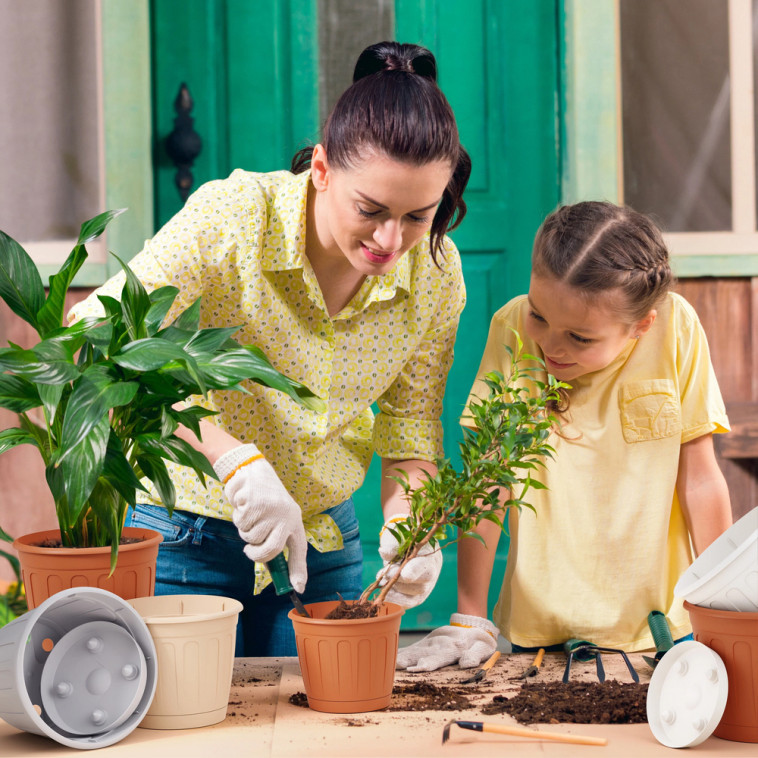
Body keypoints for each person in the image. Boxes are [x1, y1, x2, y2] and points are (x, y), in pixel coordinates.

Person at [70, 41, 472, 656]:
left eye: (419, 215)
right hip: (185, 536)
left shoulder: (436, 274)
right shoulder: (233, 218)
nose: (392, 240)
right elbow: (96, 339)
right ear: (321, 168)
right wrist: (232, 460)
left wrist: (410, 522)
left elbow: (412, 432)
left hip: (324, 544)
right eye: (371, 209)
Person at [396, 200, 733, 672]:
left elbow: (699, 479)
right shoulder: (512, 327)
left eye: (580, 338)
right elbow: (489, 482)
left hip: (659, 630)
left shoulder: (677, 327)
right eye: (540, 316)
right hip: (541, 632)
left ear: (641, 325)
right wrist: (469, 615)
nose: (551, 345)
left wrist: (724, 608)